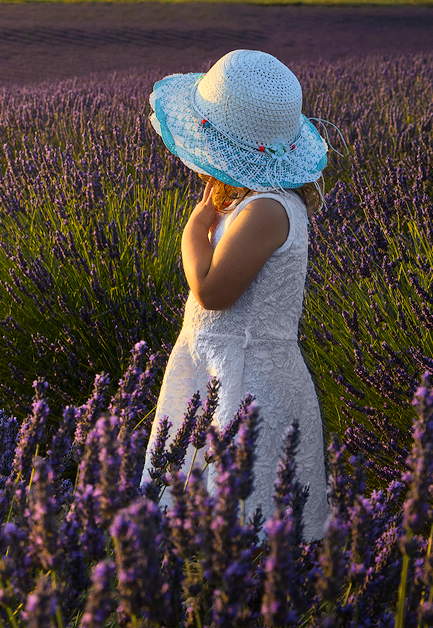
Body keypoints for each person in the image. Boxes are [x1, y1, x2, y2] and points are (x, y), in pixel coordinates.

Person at [143, 48, 331, 539]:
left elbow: (211, 291)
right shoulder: (253, 205)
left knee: (249, 516)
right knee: (203, 512)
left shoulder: (266, 211)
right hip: (215, 368)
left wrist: (194, 227)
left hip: (249, 381)